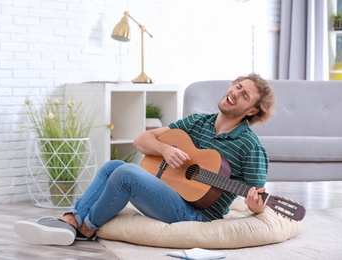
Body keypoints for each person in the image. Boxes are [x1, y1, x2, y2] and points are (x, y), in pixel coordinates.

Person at [14, 73, 276, 245]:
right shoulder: (197, 122)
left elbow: (257, 199)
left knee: (125, 174)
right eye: (237, 86)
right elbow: (142, 140)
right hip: (170, 194)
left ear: (252, 110)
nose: (235, 93)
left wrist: (257, 205)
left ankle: (87, 227)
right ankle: (71, 220)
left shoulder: (250, 147)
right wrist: (165, 150)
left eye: (245, 95)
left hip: (197, 214)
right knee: (113, 166)